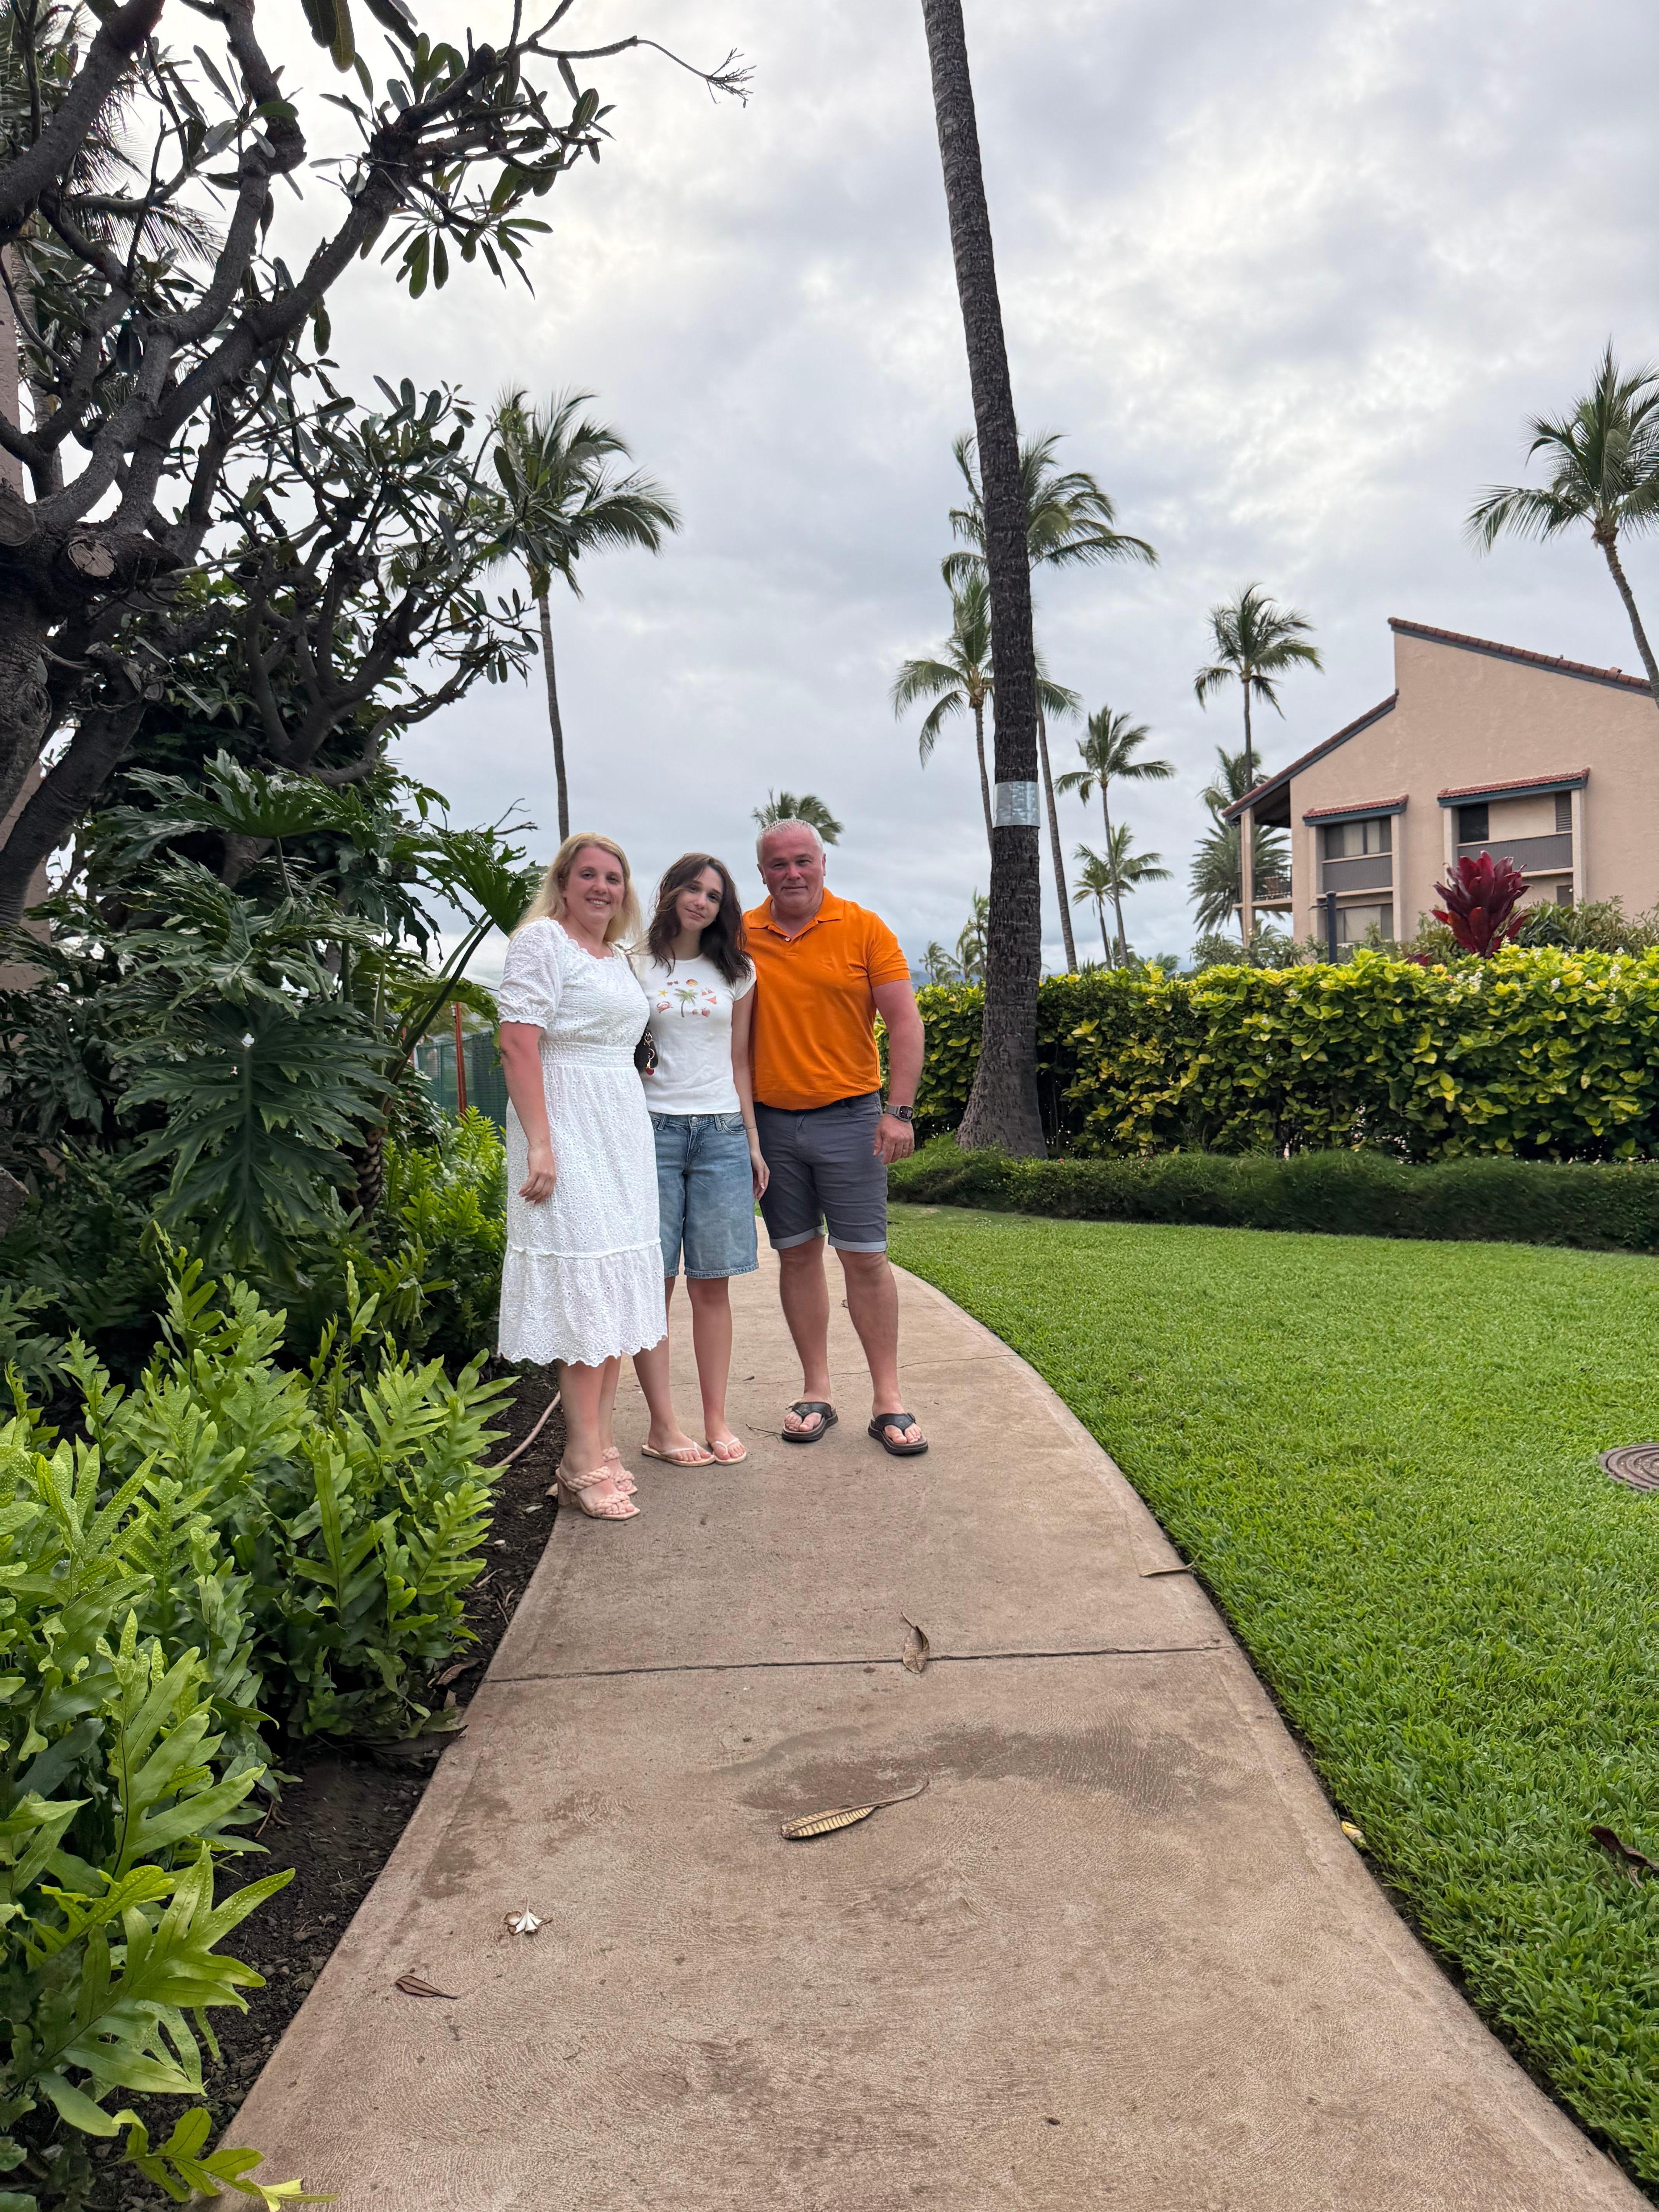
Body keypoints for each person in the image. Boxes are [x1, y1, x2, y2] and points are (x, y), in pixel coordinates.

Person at [744, 818, 929, 1456]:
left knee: (865, 1257)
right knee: (797, 1255)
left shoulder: (864, 928)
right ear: (762, 872)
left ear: (823, 863)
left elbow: (904, 1023)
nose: (792, 873)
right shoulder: (740, 934)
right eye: (778, 864)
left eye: (803, 861)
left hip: (852, 1119)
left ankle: (888, 1400)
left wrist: (898, 1112)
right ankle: (816, 1391)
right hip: (770, 1123)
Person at [496, 833, 664, 1522]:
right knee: (585, 1297)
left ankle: (600, 1447)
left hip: (620, 1131)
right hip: (564, 1128)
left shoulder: (618, 958)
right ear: (563, 883)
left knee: (615, 1296)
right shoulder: (542, 942)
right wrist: (541, 1144)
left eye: (613, 877)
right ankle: (578, 1461)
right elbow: (517, 1043)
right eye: (588, 875)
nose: (602, 887)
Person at [630, 854, 769, 1467]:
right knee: (654, 1283)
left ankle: (716, 1420)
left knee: (712, 1284)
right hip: (650, 1132)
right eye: (693, 889)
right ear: (670, 891)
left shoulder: (738, 971)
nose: (701, 902)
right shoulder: (633, 963)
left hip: (720, 1133)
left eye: (714, 896)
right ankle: (663, 1426)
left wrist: (752, 1142)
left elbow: (740, 1061)